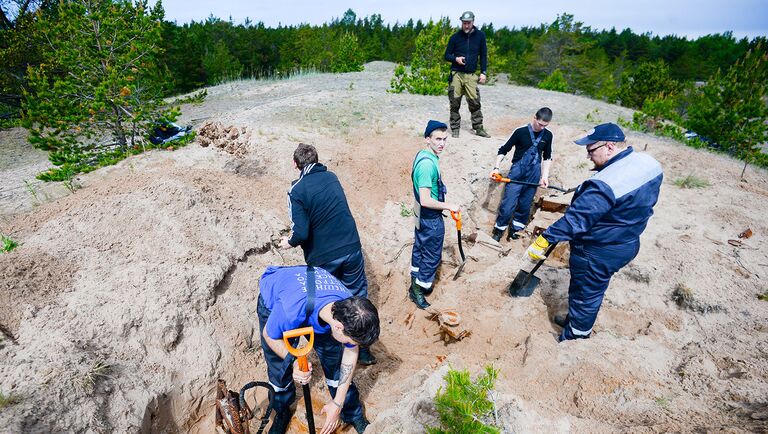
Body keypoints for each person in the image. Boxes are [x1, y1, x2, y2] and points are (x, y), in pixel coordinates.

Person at [526, 123, 662, 342]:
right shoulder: (648, 163)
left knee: (585, 295)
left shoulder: (606, 184)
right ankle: (576, 321)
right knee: (591, 290)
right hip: (627, 240)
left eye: (591, 151)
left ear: (609, 146)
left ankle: (575, 336)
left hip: (598, 250)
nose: (588, 156)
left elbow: (576, 220)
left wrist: (545, 239)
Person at [279, 143, 376, 365]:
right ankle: (363, 349)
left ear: (295, 164)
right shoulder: (332, 177)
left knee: (326, 303)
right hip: (351, 247)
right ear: (317, 159)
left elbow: (301, 232)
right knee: (357, 299)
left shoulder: (297, 190)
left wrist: (289, 242)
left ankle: (333, 352)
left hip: (323, 256)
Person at [257, 265, 380, 434]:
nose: (352, 345)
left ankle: (352, 413)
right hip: (278, 302)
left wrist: (337, 403)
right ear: (338, 327)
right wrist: (293, 362)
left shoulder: (350, 308)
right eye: (351, 341)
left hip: (312, 304)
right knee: (279, 367)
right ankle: (282, 410)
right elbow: (269, 336)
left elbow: (350, 352)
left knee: (335, 363)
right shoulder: (289, 309)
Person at [409, 120, 461, 309]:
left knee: (419, 247)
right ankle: (419, 290)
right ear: (427, 139)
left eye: (444, 139)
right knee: (431, 255)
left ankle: (415, 283)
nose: (442, 143)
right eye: (438, 139)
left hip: (419, 214)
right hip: (429, 217)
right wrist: (449, 206)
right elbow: (425, 199)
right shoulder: (427, 166)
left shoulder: (423, 156)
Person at [490, 107, 554, 242]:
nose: (542, 128)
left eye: (545, 126)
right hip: (517, 174)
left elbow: (547, 157)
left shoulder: (548, 135)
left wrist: (544, 177)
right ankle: (498, 231)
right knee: (508, 205)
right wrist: (496, 168)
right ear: (534, 118)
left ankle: (515, 230)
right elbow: (503, 149)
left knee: (525, 205)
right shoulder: (521, 132)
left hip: (533, 175)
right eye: (540, 124)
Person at [444, 11, 489, 138]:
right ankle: (455, 128)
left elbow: (483, 56)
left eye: (468, 23)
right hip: (457, 74)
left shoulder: (480, 36)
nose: (466, 26)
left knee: (475, 103)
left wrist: (483, 72)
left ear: (473, 22)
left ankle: (478, 128)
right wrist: (455, 59)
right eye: (464, 23)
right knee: (454, 102)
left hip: (471, 75)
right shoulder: (455, 37)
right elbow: (446, 55)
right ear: (461, 22)